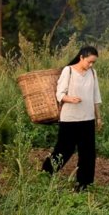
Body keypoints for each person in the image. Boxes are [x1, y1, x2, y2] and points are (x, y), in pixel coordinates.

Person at [42, 46, 103, 191]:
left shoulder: (93, 73)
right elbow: (60, 94)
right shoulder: (68, 71)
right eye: (89, 62)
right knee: (64, 149)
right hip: (69, 119)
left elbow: (96, 97)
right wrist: (70, 99)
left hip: (87, 119)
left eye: (93, 62)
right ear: (81, 57)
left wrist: (98, 118)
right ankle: (46, 173)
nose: (91, 65)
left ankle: (83, 184)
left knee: (88, 153)